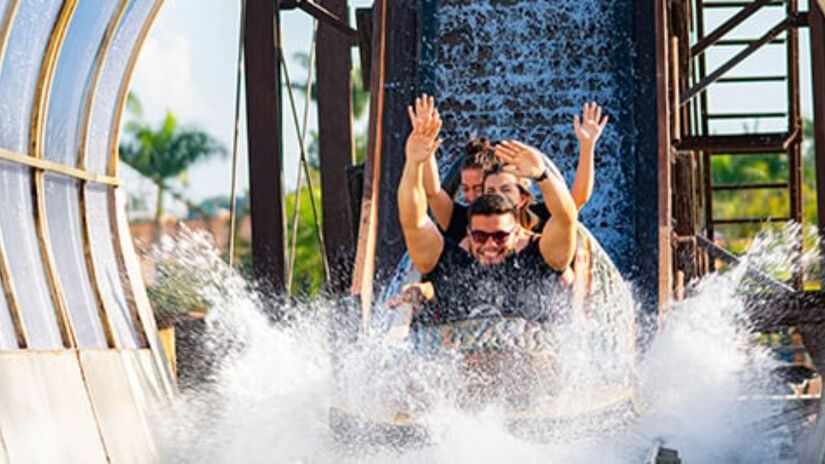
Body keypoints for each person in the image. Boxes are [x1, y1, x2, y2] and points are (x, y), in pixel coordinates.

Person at [398, 95, 579, 325]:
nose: (490, 245)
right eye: (481, 236)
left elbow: (566, 218)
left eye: (500, 236)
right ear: (469, 233)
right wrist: (414, 164)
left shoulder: (542, 257)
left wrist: (543, 175)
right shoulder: (452, 260)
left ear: (516, 233)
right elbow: (412, 221)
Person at [419, 97, 608, 239]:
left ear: (522, 197)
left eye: (505, 189)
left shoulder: (538, 218)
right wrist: (425, 148)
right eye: (490, 190)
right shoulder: (464, 220)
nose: (496, 196)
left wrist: (587, 146)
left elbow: (577, 199)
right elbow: (433, 193)